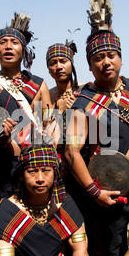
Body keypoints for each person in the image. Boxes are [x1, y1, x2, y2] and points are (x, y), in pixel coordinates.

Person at [64, 0, 129, 256]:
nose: (106, 62)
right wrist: (94, 192)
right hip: (102, 191)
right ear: (89, 66)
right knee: (108, 250)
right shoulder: (82, 102)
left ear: (120, 58)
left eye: (111, 55)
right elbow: (71, 153)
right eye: (98, 58)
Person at [0, 13, 53, 214]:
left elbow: (50, 128)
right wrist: (1, 139)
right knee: (4, 224)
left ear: (24, 50)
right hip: (1, 168)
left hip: (35, 165)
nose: (8, 46)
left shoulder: (37, 84)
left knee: (37, 224)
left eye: (14, 42)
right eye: (2, 42)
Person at [0, 144, 89, 256]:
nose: (40, 178)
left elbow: (80, 250)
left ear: (55, 173)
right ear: (21, 175)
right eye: (32, 171)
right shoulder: (7, 213)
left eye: (46, 170)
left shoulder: (64, 204)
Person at [46, 40, 83, 177]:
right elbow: (44, 135)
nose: (58, 66)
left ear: (71, 64)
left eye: (63, 61)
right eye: (53, 63)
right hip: (56, 162)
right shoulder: (46, 96)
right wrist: (58, 110)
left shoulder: (86, 90)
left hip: (83, 159)